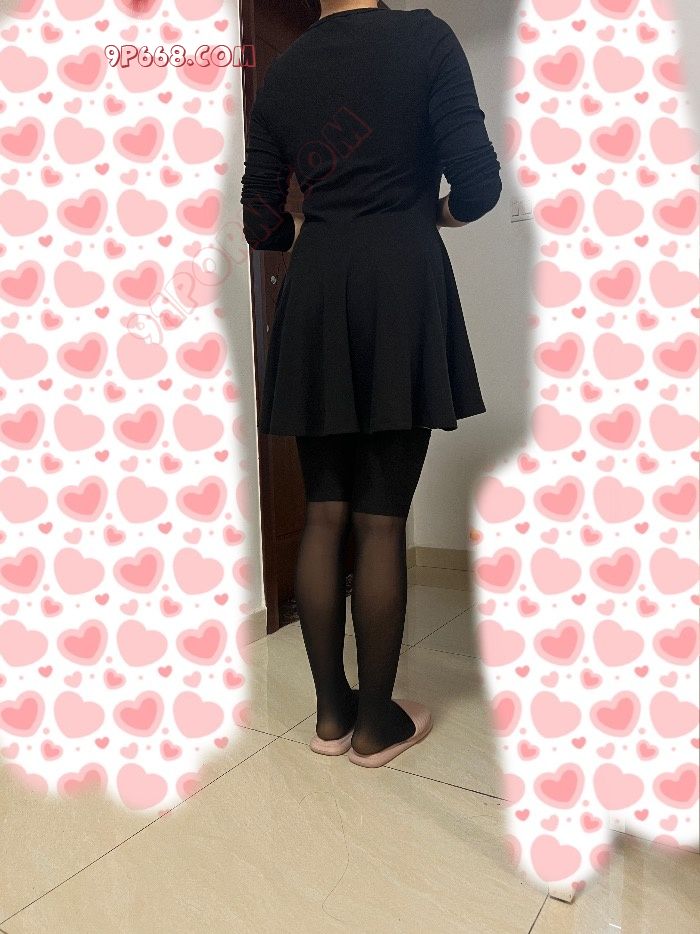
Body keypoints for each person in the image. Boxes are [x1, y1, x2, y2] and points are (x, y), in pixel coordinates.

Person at [240, 1, 502, 767]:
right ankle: (375, 726)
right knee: (381, 520)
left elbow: (262, 221)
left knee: (325, 512)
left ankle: (332, 716)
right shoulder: (425, 38)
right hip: (400, 282)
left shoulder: (284, 70)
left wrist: (316, 226)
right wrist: (429, 215)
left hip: (316, 290)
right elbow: (478, 187)